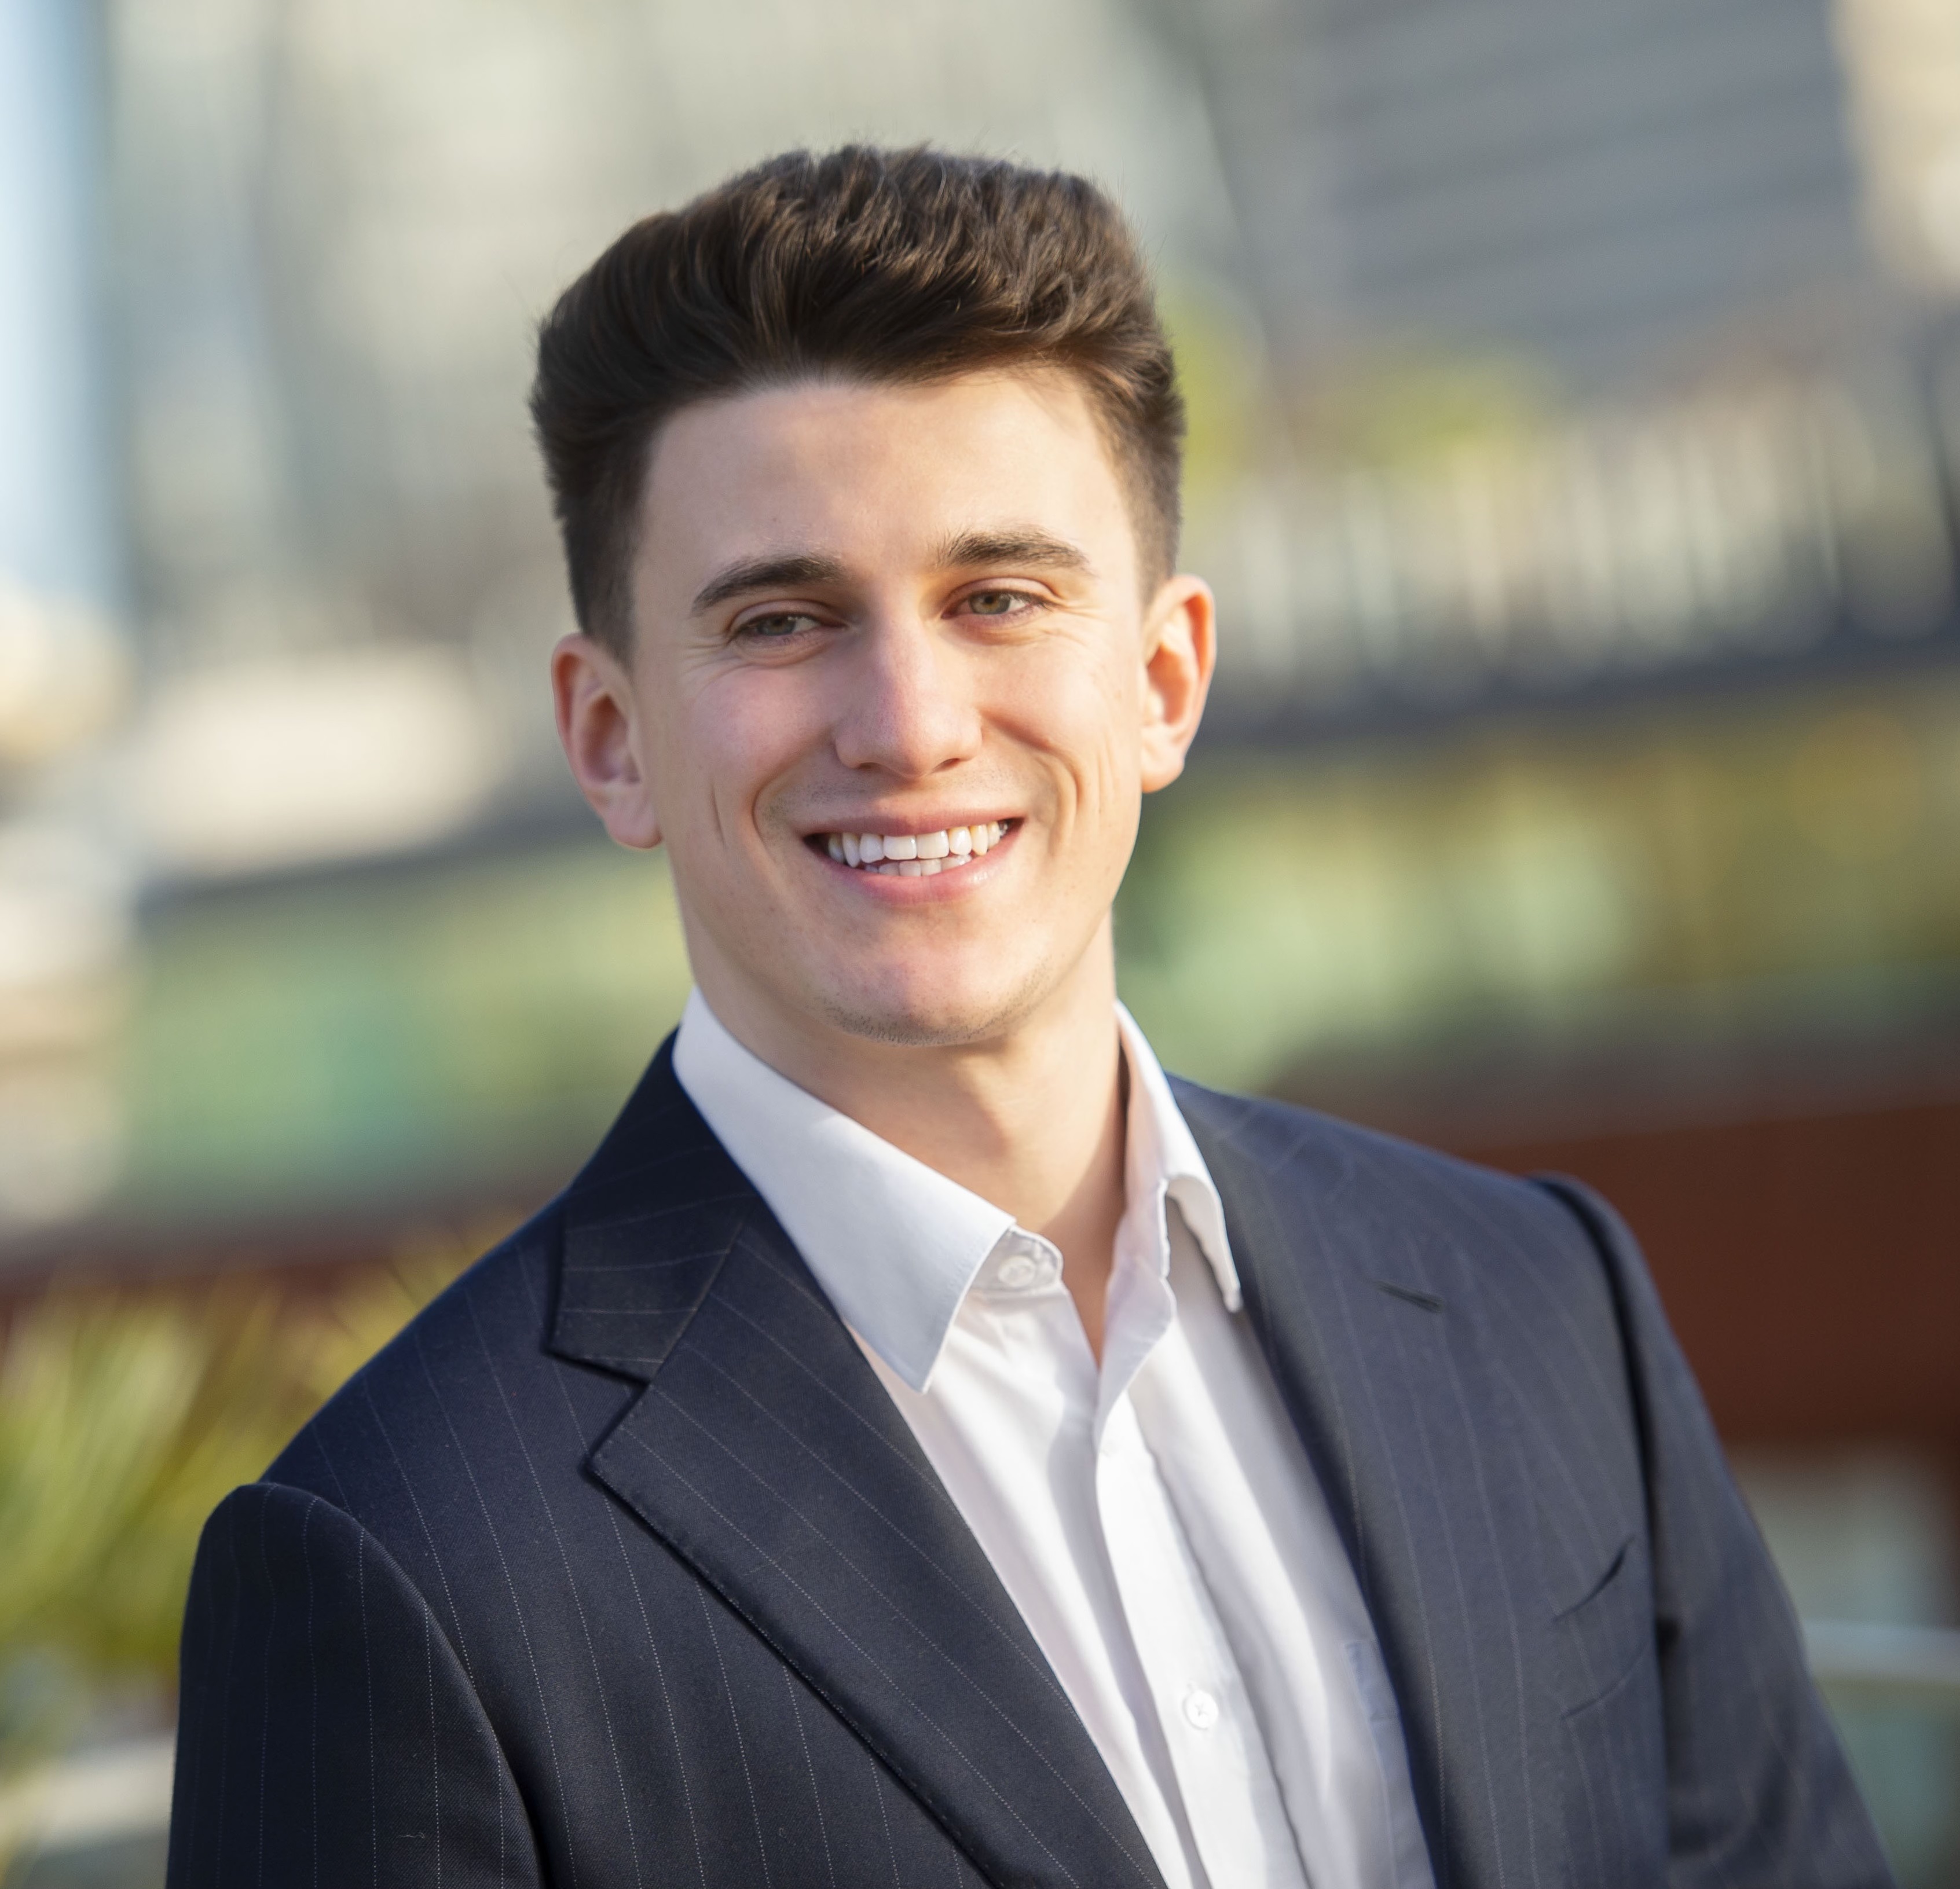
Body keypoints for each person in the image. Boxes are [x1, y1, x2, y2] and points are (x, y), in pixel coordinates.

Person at [166, 147, 1888, 1889]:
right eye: (782, 618)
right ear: (610, 739)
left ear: (1160, 681)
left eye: (998, 598)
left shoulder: (1538, 1302)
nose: (908, 721)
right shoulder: (397, 1549)